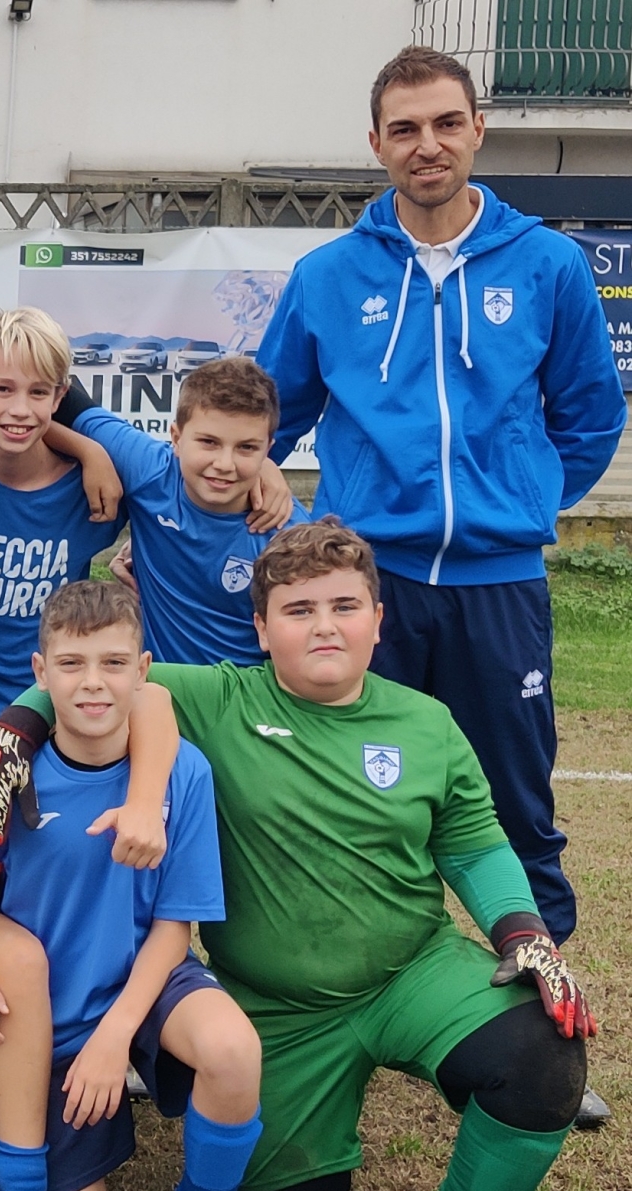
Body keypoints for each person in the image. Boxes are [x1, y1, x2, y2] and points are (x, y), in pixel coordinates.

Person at [0, 521, 596, 1191]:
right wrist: (15, 729)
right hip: (283, 1010)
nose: (324, 625)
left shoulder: (427, 723)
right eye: (298, 610)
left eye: (344, 606)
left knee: (541, 1050)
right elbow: (113, 683)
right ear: (261, 628)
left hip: (411, 971)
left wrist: (523, 931)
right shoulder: (225, 698)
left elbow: (473, 841)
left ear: (378, 619)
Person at [255, 48, 624, 1128]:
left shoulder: (547, 264)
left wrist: (525, 500)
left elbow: (589, 414)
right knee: (348, 797)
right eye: (405, 128)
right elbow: (265, 413)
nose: (428, 145)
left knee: (514, 801)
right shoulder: (329, 275)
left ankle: (548, 1037)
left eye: (446, 123)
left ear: (477, 130)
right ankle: (334, 1017)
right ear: (376, 144)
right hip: (367, 590)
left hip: (500, 585)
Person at [0, 581, 262, 1191]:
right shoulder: (9, 769)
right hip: (49, 1006)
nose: (93, 682)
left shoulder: (182, 772)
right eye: (72, 663)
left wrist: (115, 1037)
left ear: (143, 669)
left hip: (146, 978)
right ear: (40, 671)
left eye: (114, 663)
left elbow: (175, 927)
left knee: (233, 1049)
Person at [0, 356, 306, 665]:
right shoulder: (149, 471)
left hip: (244, 704)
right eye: (209, 442)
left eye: (246, 448)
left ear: (268, 449)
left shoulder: (288, 534)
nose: (224, 464)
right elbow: (52, 399)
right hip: (152, 695)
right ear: (176, 439)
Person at [0, 308, 132, 701]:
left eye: (38, 392)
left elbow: (185, 482)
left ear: (60, 396)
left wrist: (91, 451)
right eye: (3, 389)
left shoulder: (93, 488)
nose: (20, 409)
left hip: (49, 707)